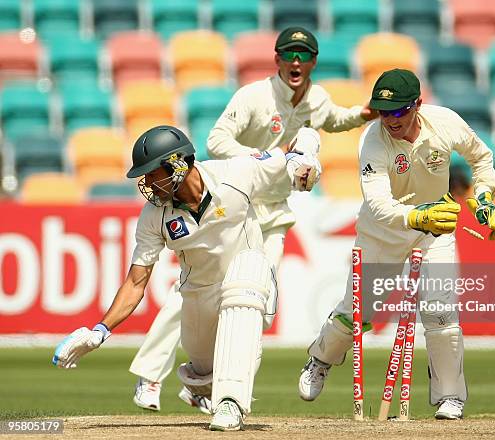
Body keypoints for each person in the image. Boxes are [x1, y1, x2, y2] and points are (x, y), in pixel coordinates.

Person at [129, 25, 379, 411]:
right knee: (197, 291)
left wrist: (364, 113)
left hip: (273, 214)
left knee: (255, 302)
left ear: (313, 62)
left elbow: (334, 120)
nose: (296, 61)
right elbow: (216, 142)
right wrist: (268, 157)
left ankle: (206, 384)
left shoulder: (317, 99)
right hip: (235, 202)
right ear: (277, 60)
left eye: (304, 55)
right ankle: (149, 375)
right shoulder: (254, 97)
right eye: (289, 54)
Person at [52, 125, 317, 431]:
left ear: (178, 164)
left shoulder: (236, 174)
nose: (148, 183)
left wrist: (306, 154)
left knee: (244, 288)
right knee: (204, 372)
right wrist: (100, 330)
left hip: (252, 281)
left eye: (153, 173)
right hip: (199, 297)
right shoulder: (155, 216)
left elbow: (290, 151)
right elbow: (137, 281)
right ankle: (203, 387)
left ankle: (231, 405)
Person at [297, 69, 495, 419]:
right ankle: (320, 359)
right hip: (382, 233)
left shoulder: (444, 122)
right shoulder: (373, 140)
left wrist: (485, 198)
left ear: (417, 106)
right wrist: (417, 216)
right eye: (383, 111)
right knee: (358, 313)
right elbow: (379, 204)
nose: (390, 119)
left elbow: (481, 159)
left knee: (441, 313)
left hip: (434, 234)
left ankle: (450, 397)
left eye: (398, 111)